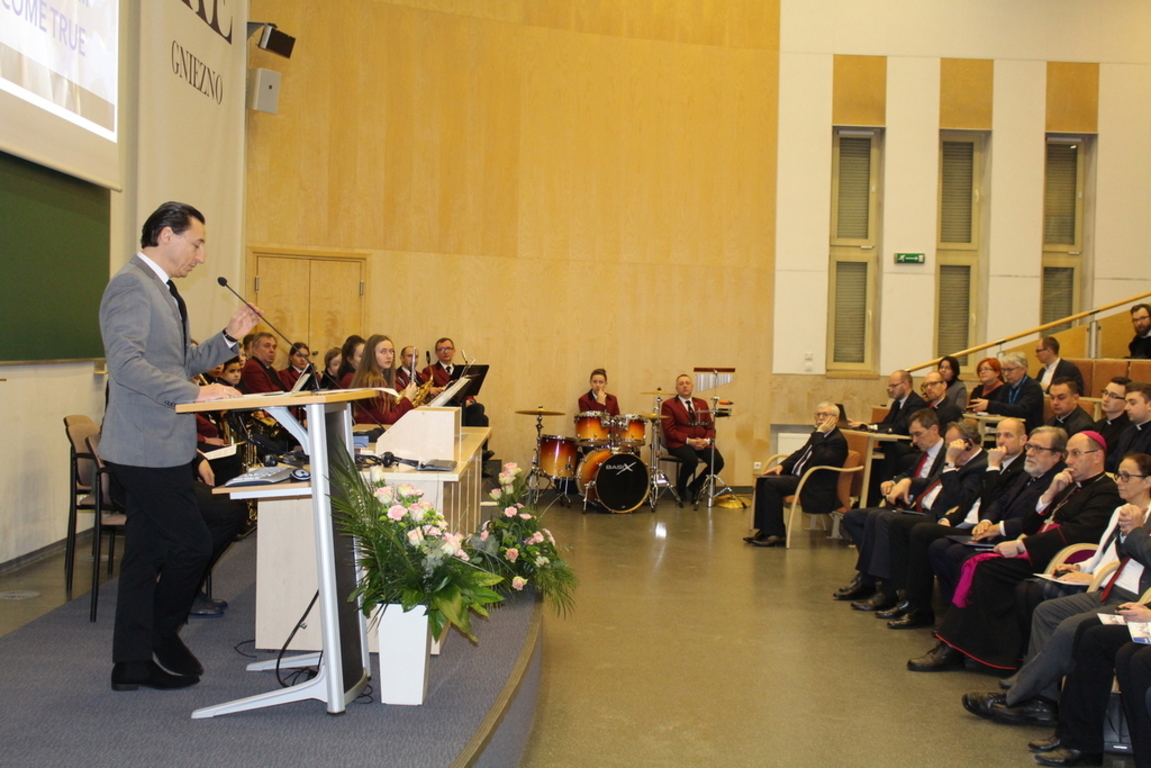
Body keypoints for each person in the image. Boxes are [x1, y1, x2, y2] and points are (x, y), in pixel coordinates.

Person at [99, 201, 260, 691]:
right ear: (166, 235)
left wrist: (228, 338)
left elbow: (179, 363)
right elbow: (125, 365)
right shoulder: (132, 286)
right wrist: (196, 394)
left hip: (161, 445)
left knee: (145, 555)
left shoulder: (163, 291)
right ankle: (161, 633)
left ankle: (131, 663)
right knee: (192, 544)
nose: (201, 256)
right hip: (142, 447)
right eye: (197, 243)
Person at [960, 454, 1151, 734]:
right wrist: (1085, 564)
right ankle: (1042, 698)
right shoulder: (1123, 510)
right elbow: (1114, 554)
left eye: (1126, 476)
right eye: (1118, 475)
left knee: (1071, 626)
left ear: (1147, 481)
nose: (1119, 482)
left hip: (1136, 599)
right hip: (1109, 587)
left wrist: (1135, 531)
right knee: (1047, 611)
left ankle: (1017, 695)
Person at [908, 431, 1120, 672]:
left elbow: (1076, 533)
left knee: (985, 567)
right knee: (978, 562)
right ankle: (963, 645)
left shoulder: (1107, 491)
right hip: (1041, 550)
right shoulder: (1069, 485)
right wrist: (1050, 493)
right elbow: (1030, 523)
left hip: (1058, 559)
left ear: (1097, 456)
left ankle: (963, 650)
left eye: (1076, 454)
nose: (1069, 460)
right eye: (1068, 454)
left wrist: (1022, 546)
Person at [847, 418, 987, 613]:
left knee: (887, 520)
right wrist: (908, 482)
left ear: (968, 444)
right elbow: (931, 482)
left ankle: (889, 590)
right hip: (921, 507)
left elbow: (956, 498)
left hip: (941, 517)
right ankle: (871, 579)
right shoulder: (957, 458)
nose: (948, 449)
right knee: (865, 517)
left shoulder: (979, 465)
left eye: (952, 445)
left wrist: (950, 463)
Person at [834, 409, 948, 603]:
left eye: (918, 434)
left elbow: (934, 483)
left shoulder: (947, 455)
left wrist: (908, 483)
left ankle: (884, 586)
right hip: (908, 506)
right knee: (853, 517)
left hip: (924, 511)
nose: (914, 441)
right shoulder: (924, 453)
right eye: (912, 435)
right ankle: (870, 577)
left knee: (880, 518)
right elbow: (909, 472)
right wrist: (893, 481)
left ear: (934, 429)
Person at [746, 402, 847, 547]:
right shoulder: (818, 435)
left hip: (814, 484)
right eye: (818, 414)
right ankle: (765, 530)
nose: (820, 418)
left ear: (835, 418)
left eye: (825, 414)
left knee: (772, 485)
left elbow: (819, 459)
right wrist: (782, 466)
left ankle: (777, 534)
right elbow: (801, 453)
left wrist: (819, 433)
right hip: (801, 478)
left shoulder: (837, 440)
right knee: (763, 480)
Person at [847, 369, 927, 486]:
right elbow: (886, 423)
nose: (891, 390)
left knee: (889, 448)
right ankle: (870, 493)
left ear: (905, 384)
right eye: (890, 386)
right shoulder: (896, 403)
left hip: (907, 444)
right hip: (893, 444)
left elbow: (901, 427)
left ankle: (886, 486)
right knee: (872, 456)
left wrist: (873, 427)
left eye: (894, 386)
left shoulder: (917, 403)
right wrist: (867, 426)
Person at [661, 373, 725, 504]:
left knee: (718, 462)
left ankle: (696, 486)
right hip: (679, 443)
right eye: (681, 384)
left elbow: (710, 427)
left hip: (701, 442)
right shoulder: (668, 405)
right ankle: (681, 488)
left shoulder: (702, 403)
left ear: (692, 386)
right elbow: (669, 430)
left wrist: (706, 440)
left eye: (687, 383)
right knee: (691, 460)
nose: (685, 386)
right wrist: (689, 441)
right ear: (677, 388)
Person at [970, 351, 1045, 433]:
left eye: (1009, 370)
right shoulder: (1006, 386)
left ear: (1023, 369)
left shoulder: (1033, 387)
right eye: (1004, 370)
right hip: (1007, 428)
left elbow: (1021, 410)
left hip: (1027, 431)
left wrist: (990, 405)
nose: (1006, 374)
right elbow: (1000, 407)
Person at [351, 334, 418, 425]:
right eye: (383, 352)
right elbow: (388, 421)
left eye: (391, 351)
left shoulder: (370, 376)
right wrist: (407, 398)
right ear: (371, 354)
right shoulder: (373, 380)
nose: (389, 356)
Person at [1107, 381, 1151, 473]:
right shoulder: (1127, 432)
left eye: (1132, 403)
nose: (1126, 408)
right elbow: (1113, 462)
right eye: (1126, 402)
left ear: (1149, 405)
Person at [1093, 376, 1131, 457]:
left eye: (1113, 396)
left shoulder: (1128, 430)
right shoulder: (1099, 424)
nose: (1106, 399)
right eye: (1105, 393)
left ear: (1126, 401)